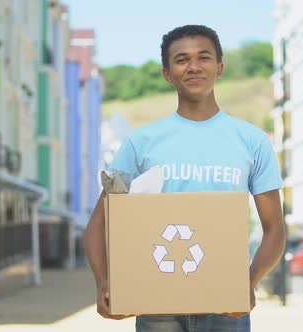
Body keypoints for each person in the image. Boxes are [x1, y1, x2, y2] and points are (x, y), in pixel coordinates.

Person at [85, 24, 286, 332]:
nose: (193, 66)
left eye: (203, 57)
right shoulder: (141, 143)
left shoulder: (253, 142)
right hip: (156, 308)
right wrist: (103, 283)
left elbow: (274, 229)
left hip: (226, 307)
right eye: (181, 59)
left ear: (219, 67)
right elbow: (100, 221)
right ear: (167, 73)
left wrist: (249, 282)